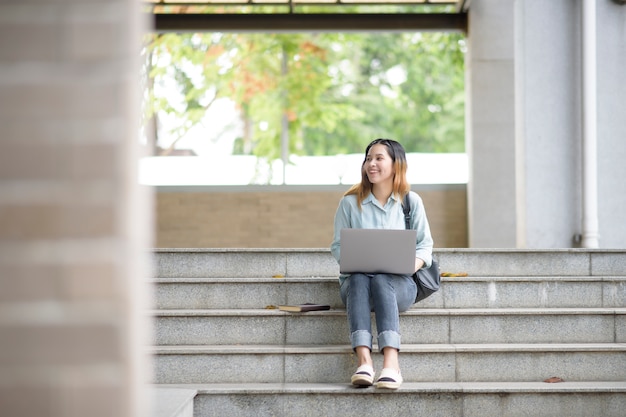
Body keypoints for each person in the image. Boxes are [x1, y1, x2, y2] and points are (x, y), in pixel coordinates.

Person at [330, 138, 433, 390]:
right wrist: (356, 260)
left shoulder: (411, 202)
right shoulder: (349, 203)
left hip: (399, 287)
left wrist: (411, 264)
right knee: (360, 277)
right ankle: (364, 362)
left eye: (378, 158)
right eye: (368, 159)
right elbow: (337, 246)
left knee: (383, 278)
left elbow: (425, 245)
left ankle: (391, 363)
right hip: (357, 289)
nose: (371, 164)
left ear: (395, 164)